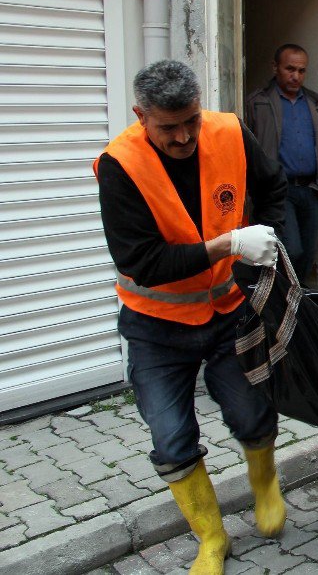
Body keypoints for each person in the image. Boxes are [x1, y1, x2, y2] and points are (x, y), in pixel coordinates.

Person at [94, 60, 288, 575]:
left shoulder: (228, 130)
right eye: (168, 127)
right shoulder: (119, 166)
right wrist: (228, 243)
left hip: (227, 312)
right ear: (141, 116)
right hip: (155, 328)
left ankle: (265, 485)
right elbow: (142, 262)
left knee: (251, 412)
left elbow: (275, 189)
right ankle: (212, 538)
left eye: (191, 121)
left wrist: (266, 246)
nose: (183, 136)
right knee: (171, 437)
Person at [245, 44, 318, 283]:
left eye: (301, 70)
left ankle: (295, 305)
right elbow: (245, 147)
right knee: (291, 250)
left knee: (307, 253)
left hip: (311, 190)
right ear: (275, 67)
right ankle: (281, 301)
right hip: (278, 191)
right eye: (290, 69)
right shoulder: (258, 103)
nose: (296, 76)